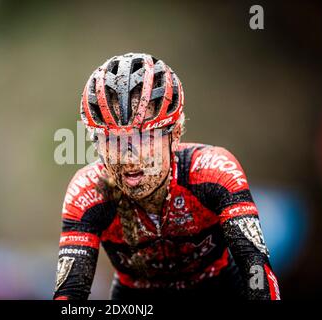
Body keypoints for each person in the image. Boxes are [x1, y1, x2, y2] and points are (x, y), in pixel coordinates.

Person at [52, 53, 280, 300]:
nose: (130, 158)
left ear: (177, 133)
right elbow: (69, 296)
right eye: (114, 140)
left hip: (220, 289)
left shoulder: (213, 171)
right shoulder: (89, 192)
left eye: (146, 136)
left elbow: (257, 270)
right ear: (97, 144)